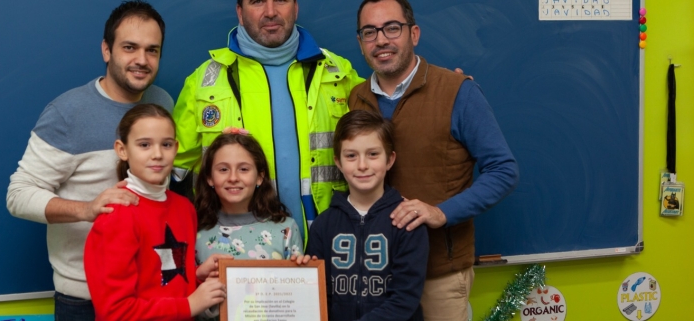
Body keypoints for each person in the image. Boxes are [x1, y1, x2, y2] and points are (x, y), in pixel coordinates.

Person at [347, 1, 520, 320]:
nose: (381, 40)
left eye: (392, 28)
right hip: (374, 274)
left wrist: (443, 212)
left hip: (438, 274)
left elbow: (504, 171)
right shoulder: (356, 98)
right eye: (369, 32)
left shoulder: (458, 92)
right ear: (360, 42)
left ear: (414, 33)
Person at [5, 1, 173, 318]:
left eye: (152, 50)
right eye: (129, 48)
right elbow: (18, 195)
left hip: (151, 291)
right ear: (106, 50)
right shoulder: (67, 113)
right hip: (85, 299)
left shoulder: (162, 103)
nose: (142, 60)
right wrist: (87, 209)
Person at [172, 0, 364, 240]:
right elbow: (171, 173)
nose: (271, 12)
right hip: (236, 250)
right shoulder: (202, 83)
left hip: (329, 243)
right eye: (257, 2)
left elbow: (378, 151)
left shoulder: (339, 73)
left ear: (295, 8)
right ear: (240, 13)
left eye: (281, 1)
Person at [84, 104, 226, 321]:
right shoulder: (116, 216)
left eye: (166, 144)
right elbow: (115, 312)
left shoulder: (184, 208)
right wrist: (190, 305)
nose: (158, 154)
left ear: (176, 148)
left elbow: (164, 283)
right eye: (144, 145)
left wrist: (197, 276)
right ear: (122, 150)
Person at [304, 110, 428, 321]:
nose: (362, 165)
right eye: (351, 156)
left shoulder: (407, 220)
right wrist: (302, 272)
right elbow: (316, 295)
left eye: (373, 154)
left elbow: (405, 298)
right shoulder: (323, 225)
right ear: (338, 162)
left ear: (390, 160)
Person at [193, 131, 305, 320]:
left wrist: (305, 275)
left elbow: (298, 302)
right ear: (209, 178)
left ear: (260, 177)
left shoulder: (285, 229)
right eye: (223, 169)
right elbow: (186, 299)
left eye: (244, 169)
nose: (233, 177)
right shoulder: (195, 231)